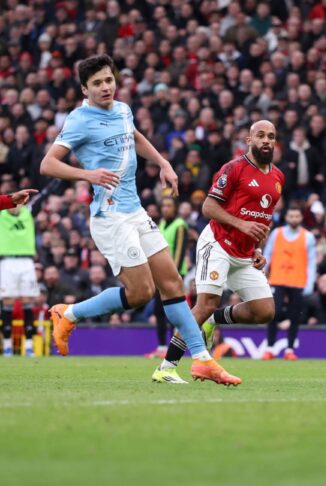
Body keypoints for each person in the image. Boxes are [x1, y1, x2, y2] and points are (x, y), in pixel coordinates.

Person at [39, 55, 239, 385]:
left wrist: (163, 162)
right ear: (84, 90)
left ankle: (203, 359)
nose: (106, 87)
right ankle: (68, 313)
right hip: (110, 217)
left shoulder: (122, 109)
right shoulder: (79, 120)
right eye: (98, 84)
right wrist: (87, 173)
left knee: (173, 284)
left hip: (135, 212)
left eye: (109, 80)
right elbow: (48, 164)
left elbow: (136, 137)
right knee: (141, 293)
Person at [154, 120, 284, 380]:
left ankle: (214, 320)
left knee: (265, 311)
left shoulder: (278, 177)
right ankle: (166, 368)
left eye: (271, 136)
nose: (266, 140)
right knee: (204, 304)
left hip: (244, 254)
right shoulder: (234, 168)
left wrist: (258, 248)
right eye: (260, 136)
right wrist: (241, 225)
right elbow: (208, 207)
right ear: (249, 140)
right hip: (217, 244)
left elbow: (263, 220)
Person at [262, 204, 317, 360]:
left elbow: (312, 262)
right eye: (291, 216)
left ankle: (290, 349)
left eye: (297, 216)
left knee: (294, 316)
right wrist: (263, 274)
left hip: (298, 281)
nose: (294, 219)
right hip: (277, 279)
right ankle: (270, 348)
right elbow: (268, 254)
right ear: (286, 217)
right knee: (274, 312)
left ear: (301, 218)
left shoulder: (308, 237)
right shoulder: (277, 234)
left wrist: (310, 283)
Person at [145, 196, 190, 359]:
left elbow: (179, 251)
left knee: (173, 311)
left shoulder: (180, 226)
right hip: (160, 273)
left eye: (169, 206)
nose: (165, 209)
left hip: (173, 274)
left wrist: (174, 275)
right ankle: (162, 346)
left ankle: (173, 347)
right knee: (159, 311)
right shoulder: (161, 224)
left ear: (175, 208)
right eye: (163, 205)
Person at [0, 199, 38, 356]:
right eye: (13, 203)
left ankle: (28, 346)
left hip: (26, 261)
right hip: (7, 261)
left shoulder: (28, 214)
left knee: (28, 301)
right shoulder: (1, 215)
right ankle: (8, 347)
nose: (15, 207)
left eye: (19, 203)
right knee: (7, 301)